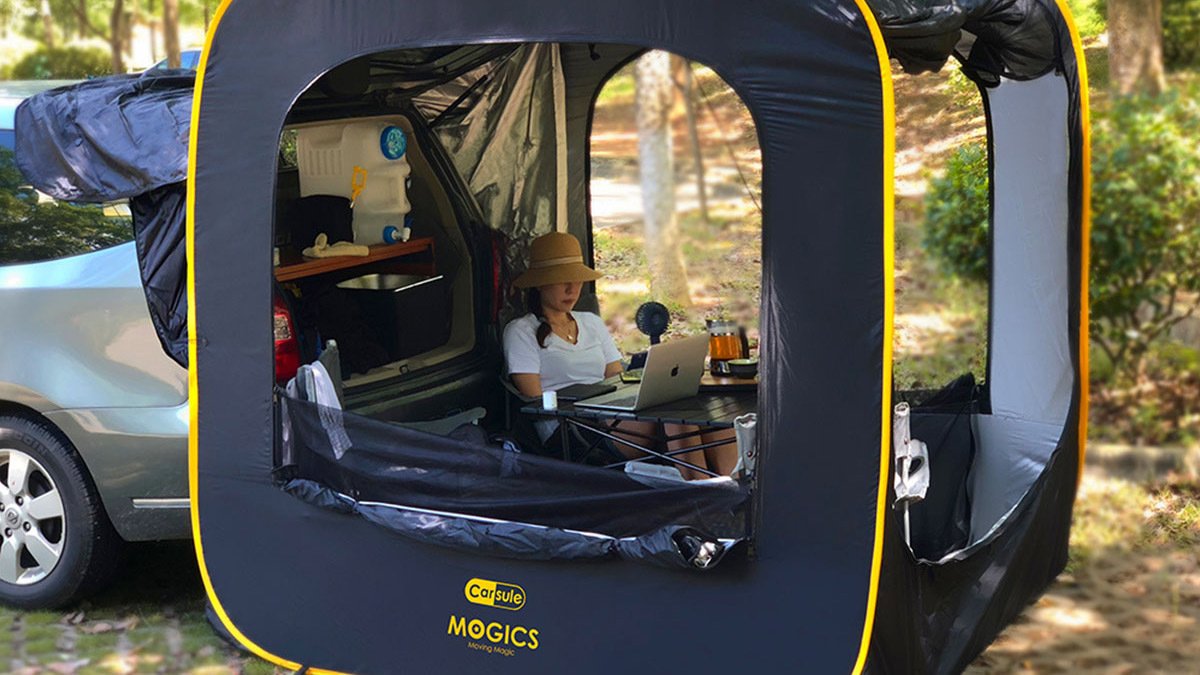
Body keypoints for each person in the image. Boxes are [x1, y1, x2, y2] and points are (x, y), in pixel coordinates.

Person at [503, 232, 736, 479]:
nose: (572, 288)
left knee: (695, 405)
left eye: (577, 279)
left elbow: (616, 377)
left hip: (608, 413)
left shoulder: (590, 322)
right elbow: (534, 399)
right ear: (540, 284)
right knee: (673, 412)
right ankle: (701, 488)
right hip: (567, 426)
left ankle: (733, 482)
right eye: (562, 280)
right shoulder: (521, 331)